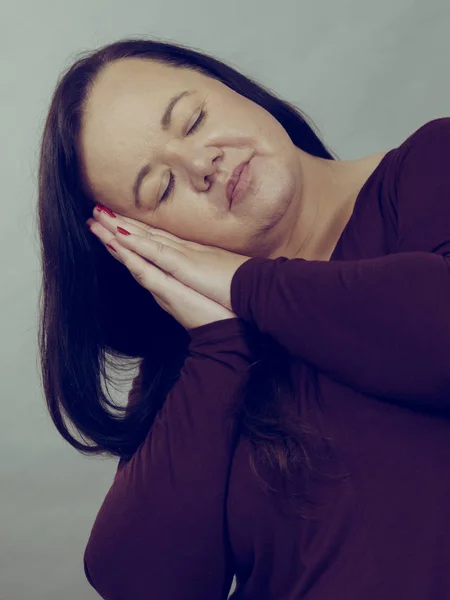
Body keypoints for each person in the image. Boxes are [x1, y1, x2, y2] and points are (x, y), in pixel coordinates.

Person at [37, 37, 450, 599]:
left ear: (233, 88)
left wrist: (240, 281)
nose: (200, 163)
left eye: (193, 119)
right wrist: (216, 346)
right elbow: (139, 583)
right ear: (149, 242)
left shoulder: (432, 164)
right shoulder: (199, 362)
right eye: (161, 188)